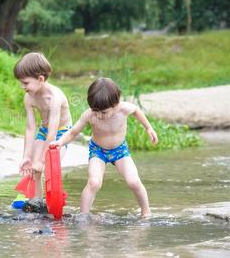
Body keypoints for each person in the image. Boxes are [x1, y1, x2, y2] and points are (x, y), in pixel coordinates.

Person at [50, 77, 158, 217]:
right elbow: (73, 132)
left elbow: (136, 111)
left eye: (104, 112)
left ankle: (146, 212)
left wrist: (148, 128)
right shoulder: (89, 115)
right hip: (98, 151)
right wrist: (60, 142)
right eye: (95, 110)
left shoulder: (124, 108)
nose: (99, 115)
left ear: (116, 104)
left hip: (120, 150)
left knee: (134, 181)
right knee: (94, 182)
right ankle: (83, 215)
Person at [14, 52, 73, 198]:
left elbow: (53, 134)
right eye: (21, 82)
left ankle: (54, 201)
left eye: (25, 83)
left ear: (40, 79)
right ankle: (37, 204)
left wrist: (41, 159)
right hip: (44, 129)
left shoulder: (55, 98)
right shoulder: (29, 97)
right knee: (35, 169)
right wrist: (26, 156)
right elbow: (30, 128)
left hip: (61, 132)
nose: (22, 86)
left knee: (49, 167)